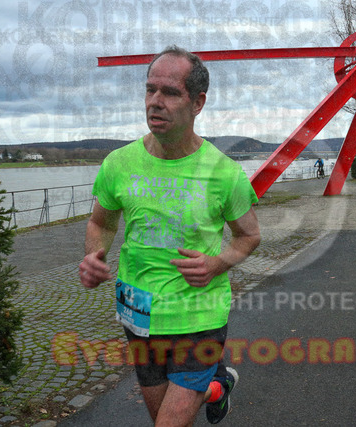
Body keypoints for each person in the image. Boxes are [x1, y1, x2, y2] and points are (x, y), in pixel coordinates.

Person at [78, 46, 261, 426]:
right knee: (163, 415)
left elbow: (249, 236)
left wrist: (217, 263)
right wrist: (95, 254)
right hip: (138, 310)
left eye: (170, 92)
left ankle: (213, 383)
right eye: (150, 90)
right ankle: (218, 386)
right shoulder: (119, 164)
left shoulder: (224, 173)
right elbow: (102, 224)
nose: (155, 102)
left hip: (199, 314)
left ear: (197, 103)